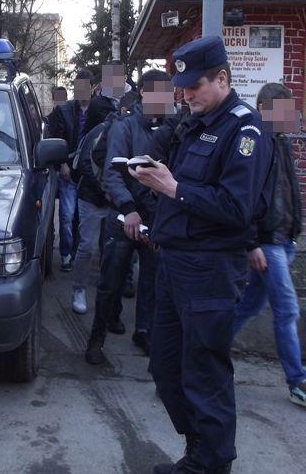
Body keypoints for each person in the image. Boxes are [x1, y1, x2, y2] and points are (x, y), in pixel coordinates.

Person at [131, 36, 274, 474]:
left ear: (222, 79)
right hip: (174, 264)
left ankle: (210, 463)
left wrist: (173, 187)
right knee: (166, 367)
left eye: (195, 86)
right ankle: (198, 452)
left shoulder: (245, 129)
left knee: (204, 372)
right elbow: (162, 155)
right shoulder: (192, 122)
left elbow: (236, 207)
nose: (186, 94)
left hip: (210, 268)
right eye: (182, 87)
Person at [85, 70, 174, 364]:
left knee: (152, 281)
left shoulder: (171, 128)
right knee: (111, 281)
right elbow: (112, 173)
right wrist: (128, 209)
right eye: (158, 92)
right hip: (124, 217)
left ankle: (144, 331)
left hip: (156, 219)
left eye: (167, 94)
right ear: (144, 93)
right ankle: (97, 338)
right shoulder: (124, 126)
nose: (164, 99)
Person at [233, 82, 305, 408]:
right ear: (264, 109)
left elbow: (288, 191)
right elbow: (246, 197)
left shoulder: (281, 141)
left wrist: (294, 230)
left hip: (283, 240)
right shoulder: (255, 143)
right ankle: (297, 381)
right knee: (287, 310)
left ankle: (203, 352)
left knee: (248, 306)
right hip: (268, 243)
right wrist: (252, 244)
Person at [68, 96, 116, 314]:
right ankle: (78, 289)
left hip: (110, 198)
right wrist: (104, 191)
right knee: (87, 246)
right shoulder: (96, 133)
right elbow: (85, 166)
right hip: (91, 198)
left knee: (111, 247)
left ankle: (106, 292)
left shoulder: (117, 130)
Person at [48, 69, 98, 272]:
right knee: (67, 215)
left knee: (83, 217)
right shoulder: (65, 110)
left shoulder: (99, 110)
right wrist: (62, 164)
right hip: (68, 168)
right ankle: (66, 254)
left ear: (92, 88)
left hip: (90, 172)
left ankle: (79, 253)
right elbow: (57, 137)